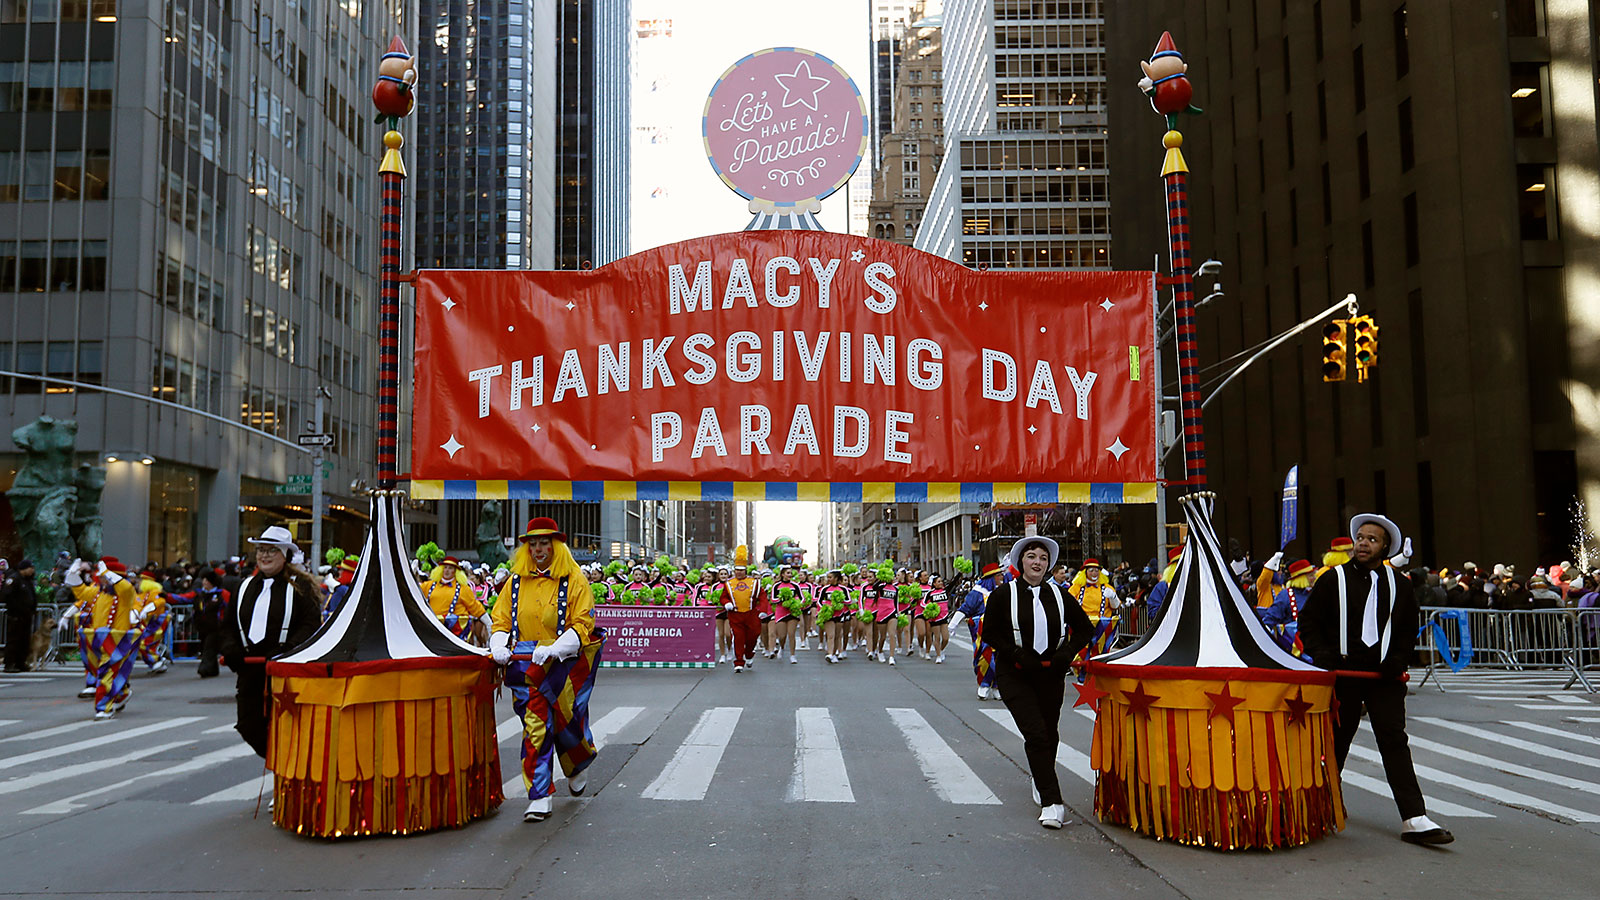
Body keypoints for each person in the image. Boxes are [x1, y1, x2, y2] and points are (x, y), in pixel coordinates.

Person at [1299, 513, 1453, 846]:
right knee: (1336, 742)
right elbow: (1309, 622)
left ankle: (1414, 817)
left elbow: (1407, 628)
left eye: (1372, 539)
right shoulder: (1332, 579)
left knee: (1394, 742)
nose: (1364, 543)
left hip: (1383, 676)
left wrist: (1397, 659)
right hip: (1342, 674)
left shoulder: (1399, 583)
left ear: (1384, 547)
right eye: (1361, 537)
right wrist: (1322, 654)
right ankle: (1323, 805)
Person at [488, 517, 602, 823]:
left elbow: (583, 623)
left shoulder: (575, 579)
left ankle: (577, 764)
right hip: (526, 669)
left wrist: (556, 647)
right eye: (533, 544)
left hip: (563, 666)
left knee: (568, 724)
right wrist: (498, 644)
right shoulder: (514, 581)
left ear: (556, 545)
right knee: (536, 728)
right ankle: (540, 795)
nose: (539, 549)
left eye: (544, 543)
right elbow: (500, 620)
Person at [980, 537, 1094, 829]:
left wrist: (1067, 653)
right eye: (1031, 556)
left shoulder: (1060, 595)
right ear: (1021, 562)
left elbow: (1085, 629)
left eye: (1043, 558)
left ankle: (1040, 775)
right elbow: (991, 633)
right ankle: (1052, 803)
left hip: (1050, 674)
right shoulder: (1003, 595)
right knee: (1036, 734)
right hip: (1015, 673)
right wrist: (1015, 653)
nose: (1037, 562)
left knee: (1049, 733)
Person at [220, 526, 322, 757]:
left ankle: (287, 775)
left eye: (272, 550)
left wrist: (287, 650)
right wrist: (231, 649)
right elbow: (228, 626)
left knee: (289, 728)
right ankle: (279, 764)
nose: (264, 555)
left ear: (285, 554)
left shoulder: (301, 587)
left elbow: (309, 625)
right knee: (249, 725)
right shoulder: (244, 587)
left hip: (284, 670)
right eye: (261, 550)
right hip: (250, 670)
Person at [63, 557, 143, 719]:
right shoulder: (98, 592)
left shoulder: (126, 594)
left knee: (106, 673)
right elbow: (81, 592)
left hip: (117, 641)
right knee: (109, 672)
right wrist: (73, 575)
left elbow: (126, 587)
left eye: (104, 578)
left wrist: (108, 572)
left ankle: (103, 708)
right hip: (98, 639)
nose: (101, 580)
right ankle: (121, 693)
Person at [420, 556, 492, 644]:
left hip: (456, 634)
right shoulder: (427, 586)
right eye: (445, 567)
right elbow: (413, 593)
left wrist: (489, 624)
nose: (447, 570)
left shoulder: (463, 589)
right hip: (434, 631)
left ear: (455, 572)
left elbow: (475, 607)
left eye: (450, 568)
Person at [175, 567, 230, 677]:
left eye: (206, 580)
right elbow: (183, 598)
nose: (204, 582)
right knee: (206, 646)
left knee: (209, 647)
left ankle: (204, 668)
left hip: (217, 627)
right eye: (203, 580)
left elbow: (231, 605)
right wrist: (167, 596)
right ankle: (213, 670)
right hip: (202, 626)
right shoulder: (198, 594)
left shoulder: (222, 594)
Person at [720, 546, 763, 672]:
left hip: (751, 614)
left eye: (741, 570)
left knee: (753, 636)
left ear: (745, 571)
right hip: (736, 615)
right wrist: (726, 603)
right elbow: (723, 597)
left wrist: (763, 611)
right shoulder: (729, 583)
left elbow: (762, 597)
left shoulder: (754, 582)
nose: (739, 572)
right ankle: (738, 662)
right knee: (738, 637)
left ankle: (749, 654)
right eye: (736, 570)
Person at [2, 558, 37, 673]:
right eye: (30, 568)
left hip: (26, 615)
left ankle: (20, 662)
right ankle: (10, 663)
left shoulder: (27, 581)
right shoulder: (14, 579)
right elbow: (7, 595)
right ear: (24, 568)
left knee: (24, 640)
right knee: (14, 640)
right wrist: (15, 608)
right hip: (16, 615)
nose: (32, 571)